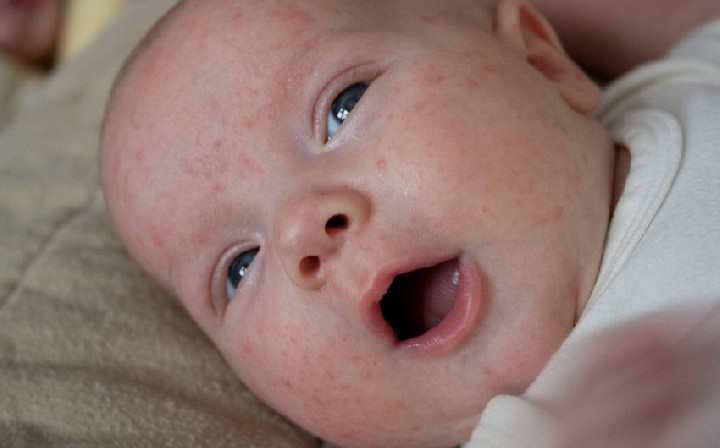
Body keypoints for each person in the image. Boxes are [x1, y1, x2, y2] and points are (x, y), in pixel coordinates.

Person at [100, 0, 720, 446]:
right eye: (239, 268)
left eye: (343, 108)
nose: (298, 231)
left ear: (541, 59)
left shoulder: (688, 83)